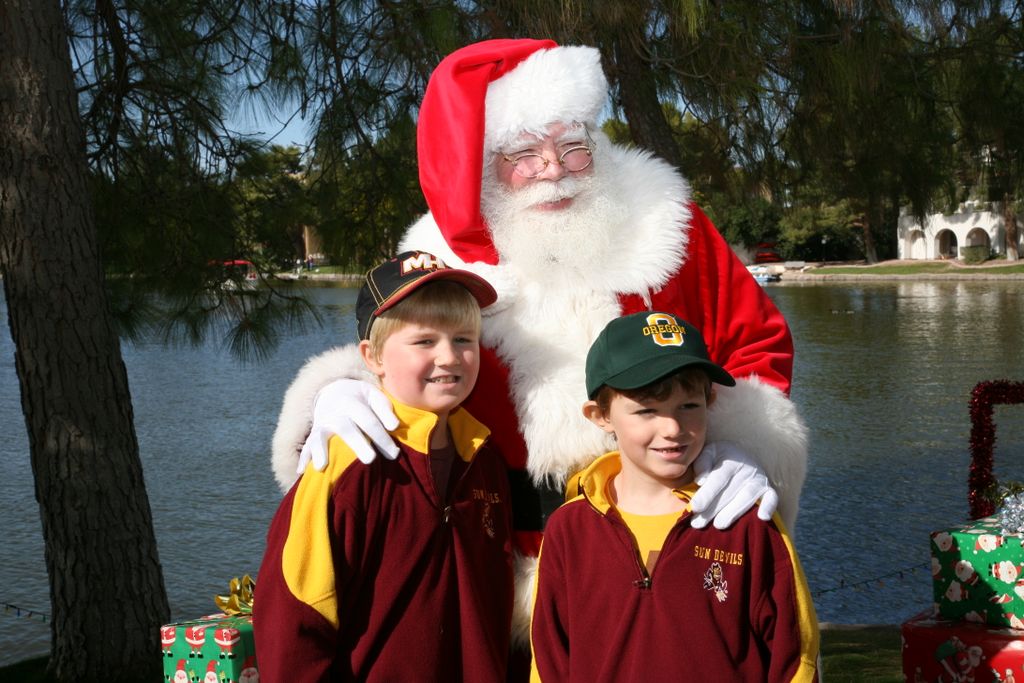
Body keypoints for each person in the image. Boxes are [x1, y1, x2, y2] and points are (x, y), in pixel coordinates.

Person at [271, 38, 808, 650]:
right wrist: (338, 393)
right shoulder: (438, 256)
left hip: (664, 530)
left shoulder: (668, 222)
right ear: (482, 164)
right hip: (490, 556)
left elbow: (756, 340)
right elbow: (402, 353)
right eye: (522, 152)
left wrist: (744, 447)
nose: (551, 168)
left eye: (573, 146)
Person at [254, 251, 514, 682]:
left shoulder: (484, 458)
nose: (449, 356)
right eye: (424, 341)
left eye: (464, 339)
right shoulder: (345, 465)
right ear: (372, 357)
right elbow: (295, 618)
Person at [530, 311, 819, 682]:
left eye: (688, 406)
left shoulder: (748, 522)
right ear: (600, 415)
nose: (672, 429)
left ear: (710, 401)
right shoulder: (568, 529)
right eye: (646, 410)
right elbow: (550, 660)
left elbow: (795, 658)